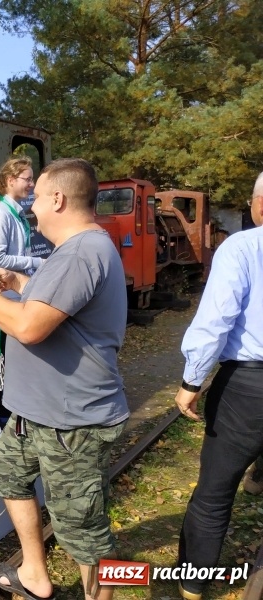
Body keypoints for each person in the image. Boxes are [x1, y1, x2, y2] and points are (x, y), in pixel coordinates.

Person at [0, 158, 129, 600]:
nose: (33, 206)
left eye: (38, 196)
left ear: (57, 199)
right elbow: (55, 307)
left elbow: (30, 327)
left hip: (71, 424)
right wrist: (19, 281)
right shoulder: (72, 252)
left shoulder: (81, 252)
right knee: (5, 474)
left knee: (85, 531)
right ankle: (35, 576)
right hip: (37, 415)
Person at [174, 172, 263, 600]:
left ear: (258, 205)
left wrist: (192, 379)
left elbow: (217, 319)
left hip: (249, 385)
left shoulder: (242, 247)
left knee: (214, 492)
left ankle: (192, 583)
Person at [0, 156, 44, 420]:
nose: (31, 184)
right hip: (2, 298)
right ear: (10, 181)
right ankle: (4, 420)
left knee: (17, 361)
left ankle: (17, 417)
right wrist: (35, 262)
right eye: (27, 178)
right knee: (3, 363)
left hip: (15, 296)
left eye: (32, 178)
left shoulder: (15, 212)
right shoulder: (1, 215)